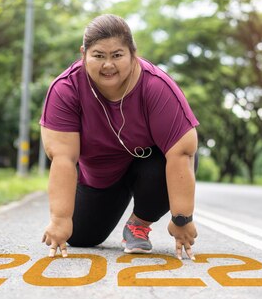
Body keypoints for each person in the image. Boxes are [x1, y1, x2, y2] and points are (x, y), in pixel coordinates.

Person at [39, 14, 199, 261]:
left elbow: (182, 151)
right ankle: (94, 212)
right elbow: (63, 158)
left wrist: (182, 219)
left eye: (117, 55)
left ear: (133, 53)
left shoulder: (155, 86)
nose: (108, 65)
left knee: (179, 156)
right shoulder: (66, 89)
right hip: (100, 177)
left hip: (147, 167)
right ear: (83, 54)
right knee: (81, 237)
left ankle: (138, 224)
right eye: (98, 56)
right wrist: (59, 220)